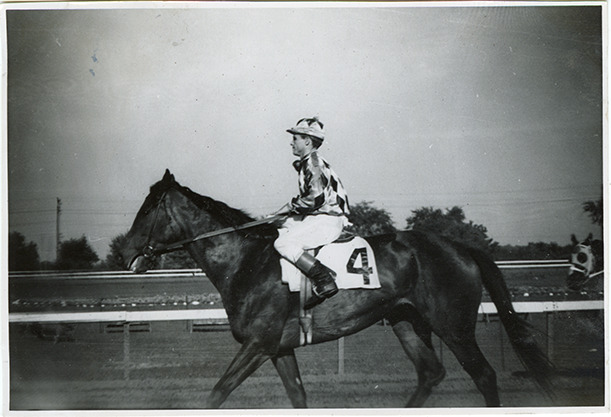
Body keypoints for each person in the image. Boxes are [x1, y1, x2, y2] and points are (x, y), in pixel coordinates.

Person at [273, 117, 350, 306]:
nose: (291, 142)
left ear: (307, 141)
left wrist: (286, 209)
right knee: (276, 227)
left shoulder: (313, 163)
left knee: (283, 243)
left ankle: (325, 279)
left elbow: (316, 198)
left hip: (328, 219)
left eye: (295, 138)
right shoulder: (308, 162)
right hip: (319, 216)